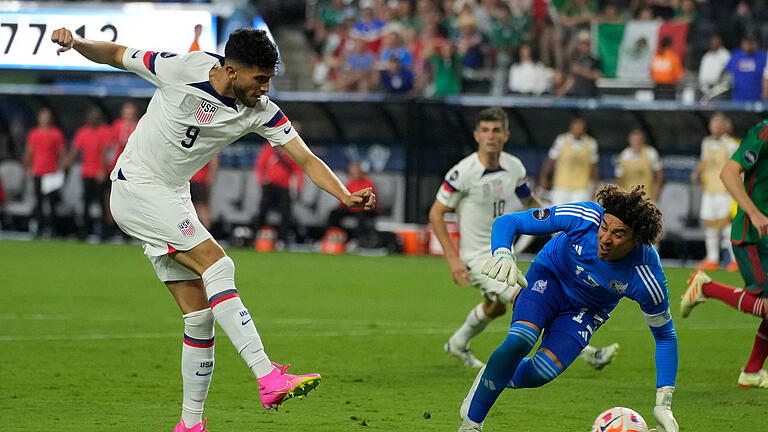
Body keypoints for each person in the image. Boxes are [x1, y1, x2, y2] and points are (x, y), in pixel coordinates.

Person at [51, 26, 375, 432]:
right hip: (137, 187)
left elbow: (305, 158)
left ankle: (190, 425)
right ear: (232, 70)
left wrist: (344, 195)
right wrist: (76, 43)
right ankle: (266, 376)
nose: (266, 87)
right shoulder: (180, 68)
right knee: (218, 266)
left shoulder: (260, 109)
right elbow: (116, 53)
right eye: (260, 78)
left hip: (171, 195)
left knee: (199, 316)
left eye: (270, 78)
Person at [458, 185, 679, 432]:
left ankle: (495, 375)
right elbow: (508, 222)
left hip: (587, 309)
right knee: (521, 339)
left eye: (618, 234)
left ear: (637, 239)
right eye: (604, 227)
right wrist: (502, 253)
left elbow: (665, 337)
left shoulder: (647, 275)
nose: (605, 238)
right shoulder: (584, 217)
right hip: (549, 278)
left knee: (541, 373)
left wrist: (664, 403)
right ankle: (472, 423)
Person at [430, 107, 618, 370]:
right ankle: (589, 354)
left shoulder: (514, 167)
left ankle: (458, 344)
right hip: (476, 257)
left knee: (495, 308)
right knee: (527, 297)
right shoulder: (462, 173)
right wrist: (453, 258)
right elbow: (436, 213)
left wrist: (556, 223)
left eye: (496, 130)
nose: (490, 136)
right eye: (485, 130)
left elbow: (530, 203)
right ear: (476, 135)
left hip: (504, 250)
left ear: (506, 134)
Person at [681, 118, 768, 389]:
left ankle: (752, 372)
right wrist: (754, 213)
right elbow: (729, 173)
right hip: (754, 234)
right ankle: (706, 288)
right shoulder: (763, 132)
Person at [691, 113, 739, 271]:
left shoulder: (731, 144)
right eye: (713, 123)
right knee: (710, 226)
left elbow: (738, 166)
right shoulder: (706, 142)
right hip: (710, 190)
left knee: (727, 226)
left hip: (725, 191)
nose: (716, 127)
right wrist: (697, 173)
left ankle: (735, 260)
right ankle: (712, 259)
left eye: (719, 123)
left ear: (726, 126)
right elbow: (704, 162)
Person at [67, 106, 114, 238]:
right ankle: (85, 230)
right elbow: (75, 150)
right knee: (86, 202)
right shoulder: (83, 132)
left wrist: (103, 170)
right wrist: (66, 164)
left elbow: (106, 152)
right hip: (87, 172)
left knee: (102, 203)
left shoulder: (105, 132)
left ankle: (105, 230)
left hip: (99, 173)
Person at [23, 107, 67, 237]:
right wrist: (26, 167)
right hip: (38, 171)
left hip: (51, 173)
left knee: (52, 203)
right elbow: (29, 152)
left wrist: (62, 169)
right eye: (43, 117)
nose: (45, 119)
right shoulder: (34, 134)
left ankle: (52, 229)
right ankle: (40, 228)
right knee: (39, 202)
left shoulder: (56, 134)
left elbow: (62, 152)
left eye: (47, 117)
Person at [538, 116, 599, 206]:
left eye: (580, 128)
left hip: (581, 187)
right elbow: (550, 161)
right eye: (576, 127)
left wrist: (595, 186)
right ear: (571, 128)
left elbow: (593, 166)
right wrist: (543, 177)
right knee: (559, 212)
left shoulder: (591, 143)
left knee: (577, 214)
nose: (578, 130)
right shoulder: (561, 140)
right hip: (561, 185)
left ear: (584, 129)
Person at [253, 140, 304, 247]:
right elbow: (261, 164)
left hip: (285, 186)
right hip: (269, 185)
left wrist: (299, 187)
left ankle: (283, 240)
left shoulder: (293, 147)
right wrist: (262, 182)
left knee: (286, 214)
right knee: (262, 211)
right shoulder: (270, 146)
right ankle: (257, 236)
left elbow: (298, 169)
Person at [327, 161, 377, 245]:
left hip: (365, 209)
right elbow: (344, 198)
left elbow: (370, 201)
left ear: (362, 173)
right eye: (353, 173)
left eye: (357, 173)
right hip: (352, 208)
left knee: (361, 217)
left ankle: (361, 242)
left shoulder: (368, 183)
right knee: (334, 213)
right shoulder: (350, 183)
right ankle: (335, 238)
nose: (355, 175)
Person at [615, 128, 664, 200]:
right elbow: (619, 178)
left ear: (643, 140)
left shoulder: (650, 153)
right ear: (630, 140)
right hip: (629, 196)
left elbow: (659, 173)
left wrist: (657, 190)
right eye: (634, 139)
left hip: (647, 196)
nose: (636, 142)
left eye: (639, 139)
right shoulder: (624, 155)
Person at [189, 156, 218, 229]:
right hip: (189, 179)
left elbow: (214, 158)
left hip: (199, 179)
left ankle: (207, 234)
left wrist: (211, 176)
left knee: (201, 207)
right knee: (192, 208)